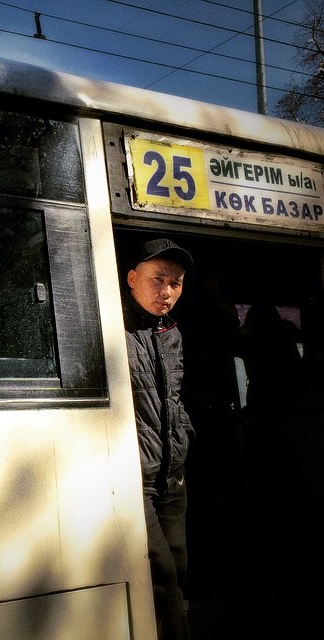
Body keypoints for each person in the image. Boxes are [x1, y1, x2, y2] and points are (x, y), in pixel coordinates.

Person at [122, 238, 194, 640]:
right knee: (160, 573)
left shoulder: (172, 332)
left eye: (175, 283)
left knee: (177, 568)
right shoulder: (113, 327)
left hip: (172, 472)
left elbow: (174, 396)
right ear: (133, 278)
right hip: (138, 477)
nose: (166, 291)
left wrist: (184, 436)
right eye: (158, 279)